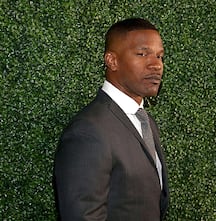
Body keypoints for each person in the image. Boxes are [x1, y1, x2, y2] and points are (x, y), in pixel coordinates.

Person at [54, 18, 169, 221]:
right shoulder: (88, 131)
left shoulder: (147, 121)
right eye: (142, 54)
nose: (156, 65)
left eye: (160, 56)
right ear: (112, 61)